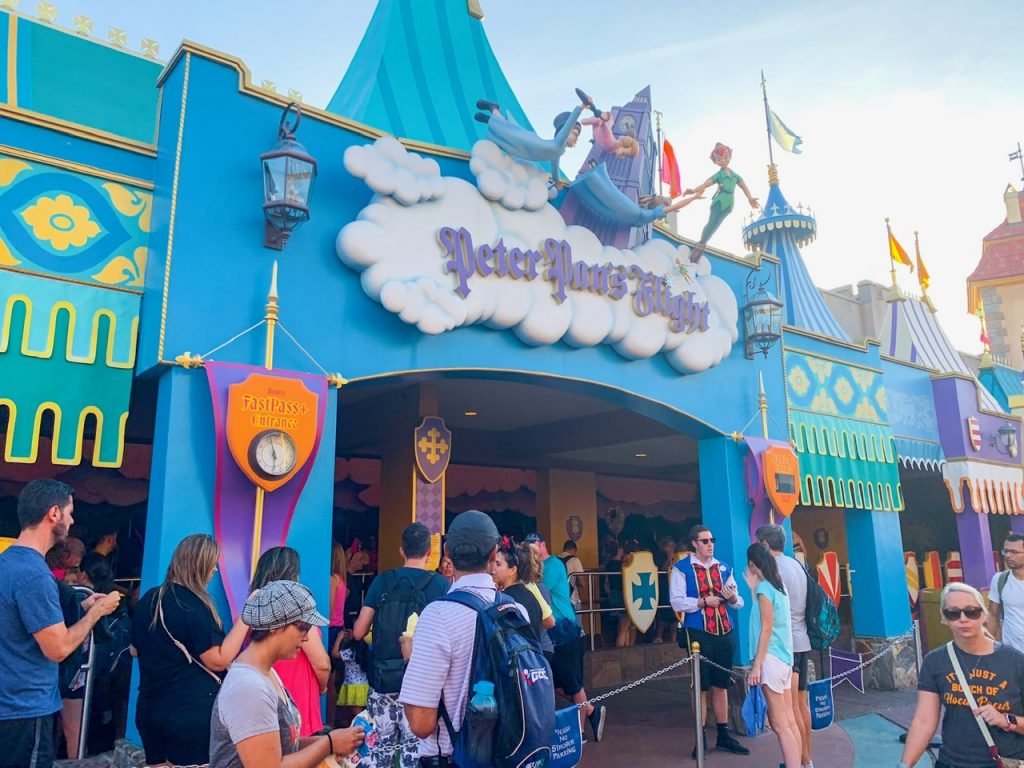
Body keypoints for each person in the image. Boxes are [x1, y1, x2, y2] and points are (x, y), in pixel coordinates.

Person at [0, 480, 121, 768]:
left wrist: (82, 606)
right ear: (53, 513)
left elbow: (21, 620)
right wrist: (96, 613)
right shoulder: (34, 574)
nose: (72, 520)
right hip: (25, 711)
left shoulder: (9, 563)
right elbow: (58, 648)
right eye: (69, 512)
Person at [209, 580, 365, 768]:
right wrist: (329, 743)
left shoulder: (266, 673)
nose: (306, 637)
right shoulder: (249, 686)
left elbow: (283, 747)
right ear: (274, 626)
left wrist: (332, 742)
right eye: (302, 628)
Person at [399, 510, 515, 764]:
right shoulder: (515, 610)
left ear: (447, 552)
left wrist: (409, 660)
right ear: (494, 554)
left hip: (455, 757)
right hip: (507, 753)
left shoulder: (437, 615)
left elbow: (420, 723)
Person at [131, 533, 249, 766]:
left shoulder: (149, 599)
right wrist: (246, 618)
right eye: (211, 563)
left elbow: (134, 649)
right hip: (190, 713)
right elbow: (218, 660)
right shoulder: (195, 606)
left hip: (149, 708)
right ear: (199, 565)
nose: (215, 569)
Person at [352, 523, 451, 768]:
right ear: (430, 552)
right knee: (414, 755)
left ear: (401, 550)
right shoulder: (440, 585)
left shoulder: (382, 582)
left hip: (382, 682)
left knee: (379, 754)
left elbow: (358, 632)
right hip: (421, 685)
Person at [900, 582, 1024, 768]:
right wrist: (904, 765)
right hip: (951, 762)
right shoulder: (935, 661)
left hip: (1004, 762)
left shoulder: (1014, 660)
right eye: (953, 613)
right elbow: (924, 721)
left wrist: (1006, 720)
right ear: (944, 618)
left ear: (984, 615)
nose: (963, 619)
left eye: (971, 612)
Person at [670, 524, 749, 756]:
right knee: (701, 687)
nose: (710, 544)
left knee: (721, 684)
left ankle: (723, 735)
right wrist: (703, 602)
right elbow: (676, 602)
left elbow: (738, 602)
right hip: (698, 634)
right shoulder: (681, 569)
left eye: (712, 540)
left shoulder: (724, 567)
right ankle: (700, 736)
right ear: (694, 543)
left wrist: (732, 597)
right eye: (705, 541)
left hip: (724, 632)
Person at [524, 531, 607, 741]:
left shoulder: (552, 566)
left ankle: (580, 733)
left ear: (542, 545)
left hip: (566, 631)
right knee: (556, 683)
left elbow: (537, 588)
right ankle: (590, 711)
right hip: (551, 634)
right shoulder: (541, 567)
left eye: (533, 545)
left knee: (573, 683)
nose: (530, 549)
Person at [250, 547, 331, 737]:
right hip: (297, 700)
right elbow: (321, 664)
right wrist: (323, 687)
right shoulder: (296, 611)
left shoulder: (254, 607)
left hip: (267, 698)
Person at [756, 524, 813, 768]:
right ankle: (806, 758)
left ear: (766, 544)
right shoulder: (798, 565)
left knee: (790, 712)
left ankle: (801, 760)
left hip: (784, 645)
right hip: (802, 640)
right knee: (802, 704)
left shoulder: (772, 571)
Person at [744, 544, 801, 768]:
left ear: (752, 564)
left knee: (780, 725)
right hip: (784, 660)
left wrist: (757, 666)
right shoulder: (779, 587)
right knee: (789, 721)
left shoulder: (764, 590)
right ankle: (799, 763)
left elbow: (765, 628)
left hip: (770, 660)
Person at [681, 142, 760, 262]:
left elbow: (744, 186)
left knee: (716, 226)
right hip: (720, 200)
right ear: (716, 161)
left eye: (726, 157)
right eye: (720, 158)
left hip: (729, 202)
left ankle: (702, 245)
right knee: (711, 223)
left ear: (730, 157)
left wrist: (750, 198)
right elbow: (706, 184)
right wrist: (693, 191)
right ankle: (700, 245)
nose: (724, 160)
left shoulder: (735, 175)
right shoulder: (719, 175)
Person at [492, 538, 553, 645]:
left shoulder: (506, 600)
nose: (493, 569)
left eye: (498, 564)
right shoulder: (529, 595)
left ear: (512, 570)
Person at [988, 533, 1024, 653]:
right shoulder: (1000, 580)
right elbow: (993, 614)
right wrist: (989, 647)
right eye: (1006, 551)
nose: (1008, 556)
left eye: (1014, 552)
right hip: (1011, 653)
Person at [328, 542, 348, 727]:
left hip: (331, 629)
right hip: (340, 628)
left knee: (329, 679)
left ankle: (329, 719)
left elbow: (329, 607)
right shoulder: (341, 579)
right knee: (333, 678)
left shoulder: (331, 580)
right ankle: (332, 720)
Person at [559, 539, 585, 611]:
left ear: (563, 549)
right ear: (574, 549)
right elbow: (582, 583)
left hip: (558, 598)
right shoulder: (575, 560)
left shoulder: (555, 560)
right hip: (571, 598)